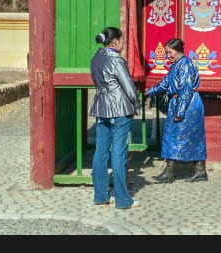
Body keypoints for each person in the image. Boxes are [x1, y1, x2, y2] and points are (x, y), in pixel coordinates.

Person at [89, 27, 141, 209]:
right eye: (122, 40)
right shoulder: (117, 60)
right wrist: (136, 105)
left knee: (100, 153)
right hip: (119, 109)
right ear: (115, 42)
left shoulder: (95, 58)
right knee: (118, 154)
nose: (123, 44)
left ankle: (101, 195)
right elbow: (128, 86)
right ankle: (123, 200)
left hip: (101, 108)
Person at [145, 38, 208, 183]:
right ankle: (200, 171)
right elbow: (166, 83)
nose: (168, 55)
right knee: (182, 137)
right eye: (166, 53)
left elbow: (186, 89)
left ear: (178, 50)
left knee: (178, 137)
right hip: (182, 102)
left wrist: (179, 112)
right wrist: (151, 91)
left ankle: (171, 173)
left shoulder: (185, 65)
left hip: (187, 104)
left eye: (169, 52)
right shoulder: (176, 65)